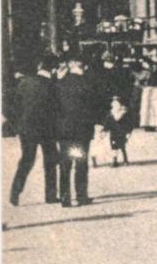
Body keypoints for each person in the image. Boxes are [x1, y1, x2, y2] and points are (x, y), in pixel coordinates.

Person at [9, 59, 59, 206]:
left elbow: (14, 105)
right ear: (53, 70)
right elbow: (57, 109)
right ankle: (50, 195)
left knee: (26, 160)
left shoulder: (25, 83)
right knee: (50, 160)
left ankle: (15, 192)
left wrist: (17, 124)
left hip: (27, 129)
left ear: (39, 67)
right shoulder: (53, 85)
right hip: (47, 129)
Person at [55, 58, 101, 208]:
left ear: (70, 66)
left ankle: (64, 197)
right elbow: (96, 106)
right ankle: (81, 196)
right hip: (82, 130)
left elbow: (53, 107)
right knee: (81, 162)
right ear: (82, 67)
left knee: (65, 163)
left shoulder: (59, 84)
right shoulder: (88, 83)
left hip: (64, 129)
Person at [103, 93, 133, 167]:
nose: (115, 105)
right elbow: (107, 123)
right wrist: (105, 130)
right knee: (114, 147)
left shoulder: (124, 114)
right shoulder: (110, 114)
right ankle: (115, 161)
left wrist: (128, 132)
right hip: (113, 134)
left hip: (122, 133)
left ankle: (125, 160)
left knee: (122, 147)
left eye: (117, 103)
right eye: (113, 103)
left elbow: (129, 124)